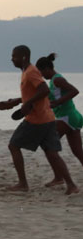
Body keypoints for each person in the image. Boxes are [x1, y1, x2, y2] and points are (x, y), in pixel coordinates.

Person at [0, 45, 78, 195]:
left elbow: (44, 90)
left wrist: (28, 103)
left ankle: (22, 184)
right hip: (48, 119)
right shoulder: (27, 72)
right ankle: (71, 185)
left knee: (13, 146)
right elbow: (36, 93)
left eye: (14, 56)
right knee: (52, 153)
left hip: (36, 120)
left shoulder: (31, 72)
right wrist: (16, 101)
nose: (12, 59)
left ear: (24, 57)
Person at [35, 53, 83, 183]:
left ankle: (59, 178)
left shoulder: (57, 79)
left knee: (48, 145)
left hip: (66, 117)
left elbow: (75, 91)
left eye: (41, 72)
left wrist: (59, 102)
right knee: (78, 152)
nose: (41, 75)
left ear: (46, 68)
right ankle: (59, 177)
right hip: (73, 117)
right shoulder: (53, 81)